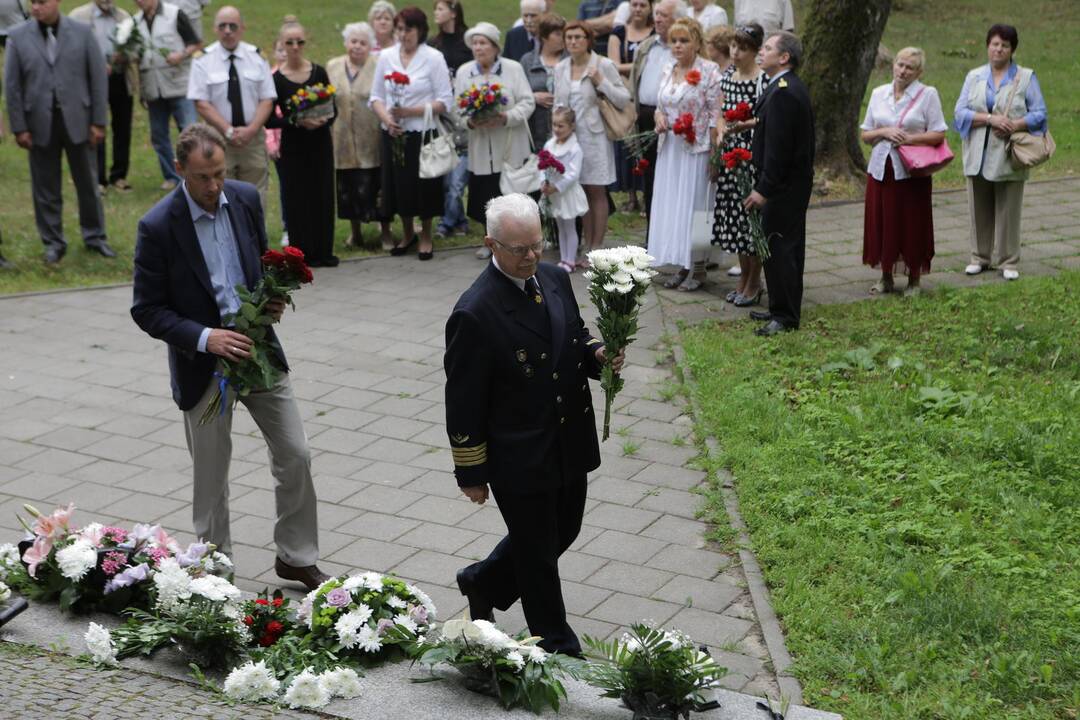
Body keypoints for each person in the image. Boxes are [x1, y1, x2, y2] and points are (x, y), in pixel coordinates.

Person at [131, 123, 330, 592]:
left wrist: (271, 298)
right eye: (203, 177)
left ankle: (297, 556)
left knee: (296, 453)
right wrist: (205, 338)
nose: (214, 185)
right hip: (204, 366)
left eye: (219, 173)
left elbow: (258, 261)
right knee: (211, 477)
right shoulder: (158, 226)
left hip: (257, 349)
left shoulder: (244, 198)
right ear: (180, 169)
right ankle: (215, 572)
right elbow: (147, 309)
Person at [445, 192, 624, 657]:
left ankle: (482, 581)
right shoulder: (475, 312)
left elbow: (574, 337)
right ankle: (558, 644)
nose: (530, 257)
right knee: (538, 553)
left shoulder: (552, 278)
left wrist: (599, 355)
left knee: (564, 530)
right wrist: (472, 472)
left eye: (536, 245)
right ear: (491, 244)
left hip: (566, 437)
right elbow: (464, 401)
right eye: (518, 249)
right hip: (517, 454)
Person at [4, 0, 116, 264]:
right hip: (39, 123)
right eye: (32, 2)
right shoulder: (17, 37)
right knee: (45, 187)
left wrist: (99, 121)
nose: (35, 8)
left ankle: (95, 236)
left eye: (41, 2)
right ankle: (53, 242)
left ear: (57, 2)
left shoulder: (82, 32)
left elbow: (98, 79)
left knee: (88, 183)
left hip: (79, 119)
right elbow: (12, 86)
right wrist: (19, 127)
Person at [954, 24, 1047, 282]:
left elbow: (1040, 114)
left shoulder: (1026, 77)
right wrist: (989, 119)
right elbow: (959, 113)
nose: (999, 49)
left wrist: (1014, 124)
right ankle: (979, 257)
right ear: (987, 46)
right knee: (978, 206)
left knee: (1009, 209)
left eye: (1004, 45)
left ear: (1012, 49)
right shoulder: (974, 76)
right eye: (995, 44)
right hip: (977, 154)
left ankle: (1008, 260)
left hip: (1008, 154)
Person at [861, 47, 947, 297]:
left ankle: (914, 279)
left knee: (912, 223)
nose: (903, 70)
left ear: (919, 71)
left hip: (911, 172)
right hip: (881, 170)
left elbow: (939, 133)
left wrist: (910, 139)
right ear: (893, 65)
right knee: (883, 222)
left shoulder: (927, 95)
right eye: (900, 64)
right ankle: (885, 275)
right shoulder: (879, 93)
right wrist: (884, 132)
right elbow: (866, 133)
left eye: (910, 67)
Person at [743, 31, 814, 336]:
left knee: (782, 247)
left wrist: (764, 189)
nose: (762, 51)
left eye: (768, 48)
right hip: (783, 185)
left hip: (784, 187)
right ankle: (779, 308)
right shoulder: (780, 87)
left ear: (784, 57)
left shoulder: (784, 91)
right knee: (776, 247)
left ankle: (785, 317)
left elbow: (779, 149)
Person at [370, 6, 453, 261]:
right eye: (400, 29)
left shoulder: (433, 57)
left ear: (420, 30)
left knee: (424, 185)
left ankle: (426, 235)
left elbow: (445, 101)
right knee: (398, 185)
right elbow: (376, 97)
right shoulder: (386, 56)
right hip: (393, 133)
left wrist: (410, 111)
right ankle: (407, 233)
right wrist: (389, 119)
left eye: (408, 30)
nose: (403, 35)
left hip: (422, 132)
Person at [646, 17, 721, 291]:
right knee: (674, 206)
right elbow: (660, 105)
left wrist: (715, 155)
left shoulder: (710, 71)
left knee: (696, 208)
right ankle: (681, 263)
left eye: (684, 40)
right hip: (670, 150)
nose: (677, 46)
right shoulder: (669, 69)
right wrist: (659, 119)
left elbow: (716, 117)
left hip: (697, 149)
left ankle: (698, 267)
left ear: (697, 43)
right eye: (674, 41)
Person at [188, 6, 276, 209]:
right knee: (219, 195)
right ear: (215, 29)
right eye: (222, 26)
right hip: (217, 140)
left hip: (252, 140)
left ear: (242, 28)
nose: (228, 30)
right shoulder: (203, 60)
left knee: (255, 196)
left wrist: (251, 130)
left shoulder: (257, 57)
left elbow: (267, 99)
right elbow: (201, 103)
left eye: (233, 26)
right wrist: (228, 131)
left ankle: (255, 239)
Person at [554, 21, 629, 259]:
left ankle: (597, 245)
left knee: (596, 190)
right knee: (580, 190)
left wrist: (601, 81)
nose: (573, 42)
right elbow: (558, 103)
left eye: (578, 37)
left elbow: (623, 98)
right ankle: (586, 243)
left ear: (588, 40)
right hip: (570, 139)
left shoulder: (602, 64)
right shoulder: (561, 67)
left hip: (595, 138)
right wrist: (556, 134)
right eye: (569, 37)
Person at [268, 16, 337, 267]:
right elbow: (269, 120)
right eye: (289, 42)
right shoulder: (276, 80)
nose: (295, 47)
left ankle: (323, 250)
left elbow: (333, 109)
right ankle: (301, 254)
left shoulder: (318, 72)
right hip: (294, 147)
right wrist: (296, 122)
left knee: (322, 194)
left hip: (319, 144)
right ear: (281, 45)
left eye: (300, 41)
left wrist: (323, 121)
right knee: (296, 197)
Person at [453, 22, 535, 230]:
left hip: (509, 145)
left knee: (513, 197)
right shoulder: (464, 72)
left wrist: (506, 117)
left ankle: (518, 238)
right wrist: (470, 122)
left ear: (495, 47)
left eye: (483, 43)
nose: (478, 48)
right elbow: (456, 110)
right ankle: (489, 240)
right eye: (475, 44)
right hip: (481, 148)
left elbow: (528, 102)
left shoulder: (512, 68)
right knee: (486, 196)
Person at [328, 22, 396, 251]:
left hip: (372, 137)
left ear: (370, 46)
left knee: (377, 185)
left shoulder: (379, 66)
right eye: (353, 41)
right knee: (347, 187)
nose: (357, 46)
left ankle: (385, 233)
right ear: (346, 43)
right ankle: (355, 233)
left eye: (363, 42)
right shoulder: (333, 66)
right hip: (342, 138)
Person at [712, 22, 764, 305]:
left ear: (755, 51)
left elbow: (765, 117)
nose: (735, 52)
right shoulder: (729, 75)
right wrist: (721, 130)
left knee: (750, 223)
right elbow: (721, 111)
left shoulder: (761, 79)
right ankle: (743, 277)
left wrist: (742, 125)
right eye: (733, 46)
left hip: (751, 154)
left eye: (742, 48)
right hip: (731, 154)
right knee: (735, 222)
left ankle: (755, 281)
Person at [133, 0, 202, 192]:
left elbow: (196, 43)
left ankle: (196, 172)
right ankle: (172, 176)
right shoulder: (134, 23)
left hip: (179, 86)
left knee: (190, 131)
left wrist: (181, 55)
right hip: (153, 88)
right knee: (158, 134)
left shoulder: (174, 14)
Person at [69, 0, 137, 194]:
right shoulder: (78, 17)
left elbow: (136, 49)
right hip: (90, 82)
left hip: (120, 79)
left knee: (122, 128)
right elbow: (70, 51)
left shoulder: (124, 17)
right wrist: (95, 66)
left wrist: (124, 57)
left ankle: (119, 176)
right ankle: (98, 179)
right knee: (95, 127)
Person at [628, 0, 682, 225]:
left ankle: (672, 229)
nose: (658, 19)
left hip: (674, 121)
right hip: (646, 116)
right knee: (649, 177)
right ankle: (653, 231)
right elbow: (634, 79)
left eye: (664, 15)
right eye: (657, 14)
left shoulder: (681, 48)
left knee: (672, 177)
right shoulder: (646, 46)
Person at [428, 0, 470, 241]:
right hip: (440, 115)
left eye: (441, 9)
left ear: (453, 12)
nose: (437, 13)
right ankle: (457, 219)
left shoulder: (467, 41)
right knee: (446, 172)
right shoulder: (434, 44)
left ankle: (448, 222)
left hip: (462, 114)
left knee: (457, 175)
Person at [607, 0, 652, 215]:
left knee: (645, 142)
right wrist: (639, 65)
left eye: (643, 5)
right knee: (627, 144)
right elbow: (612, 65)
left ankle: (646, 195)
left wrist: (628, 67)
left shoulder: (653, 33)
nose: (638, 9)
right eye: (634, 4)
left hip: (646, 95)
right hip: (625, 94)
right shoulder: (619, 32)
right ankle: (631, 195)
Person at [540, 106, 588, 273]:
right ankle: (563, 259)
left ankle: (570, 260)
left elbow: (573, 174)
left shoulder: (575, 149)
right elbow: (541, 166)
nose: (556, 129)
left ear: (571, 126)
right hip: (554, 193)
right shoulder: (549, 144)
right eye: (554, 125)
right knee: (560, 226)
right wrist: (544, 183)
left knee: (569, 227)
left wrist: (557, 187)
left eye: (561, 126)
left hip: (566, 193)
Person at [519, 12, 566, 148]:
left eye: (564, 33)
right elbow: (516, 94)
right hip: (536, 135)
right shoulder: (527, 61)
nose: (564, 38)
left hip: (567, 133)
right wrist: (533, 97)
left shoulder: (571, 60)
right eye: (558, 34)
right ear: (544, 37)